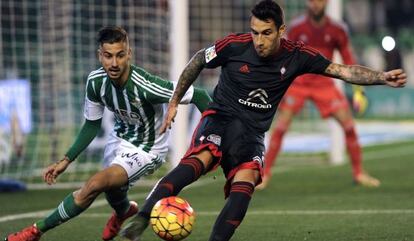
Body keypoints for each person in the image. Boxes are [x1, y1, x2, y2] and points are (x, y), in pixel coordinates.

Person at [120, 1, 406, 240]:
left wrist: (381, 77)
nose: (259, 40)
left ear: (281, 30)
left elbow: (343, 70)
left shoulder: (297, 55)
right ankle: (143, 217)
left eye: (266, 33)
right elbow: (197, 60)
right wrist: (173, 102)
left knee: (244, 190)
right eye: (255, 32)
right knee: (200, 161)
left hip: (253, 134)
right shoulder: (234, 46)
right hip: (220, 120)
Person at [4, 26, 211, 241]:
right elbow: (91, 125)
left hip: (147, 149)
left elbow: (200, 95)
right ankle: (124, 211)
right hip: (118, 139)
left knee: (95, 184)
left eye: (120, 55)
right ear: (99, 55)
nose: (114, 63)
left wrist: (214, 135)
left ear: (128, 54)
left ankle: (35, 232)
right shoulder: (95, 82)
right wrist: (66, 160)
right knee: (113, 190)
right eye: (108, 56)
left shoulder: (146, 86)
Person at [257, 0, 380, 190]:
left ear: (327, 2)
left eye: (319, 0)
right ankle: (265, 175)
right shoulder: (297, 27)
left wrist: (358, 90)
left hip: (324, 84)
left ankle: (359, 173)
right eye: (312, 0)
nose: (315, 4)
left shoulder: (337, 29)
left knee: (349, 126)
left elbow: (348, 58)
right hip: (299, 83)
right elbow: (283, 54)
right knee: (280, 128)